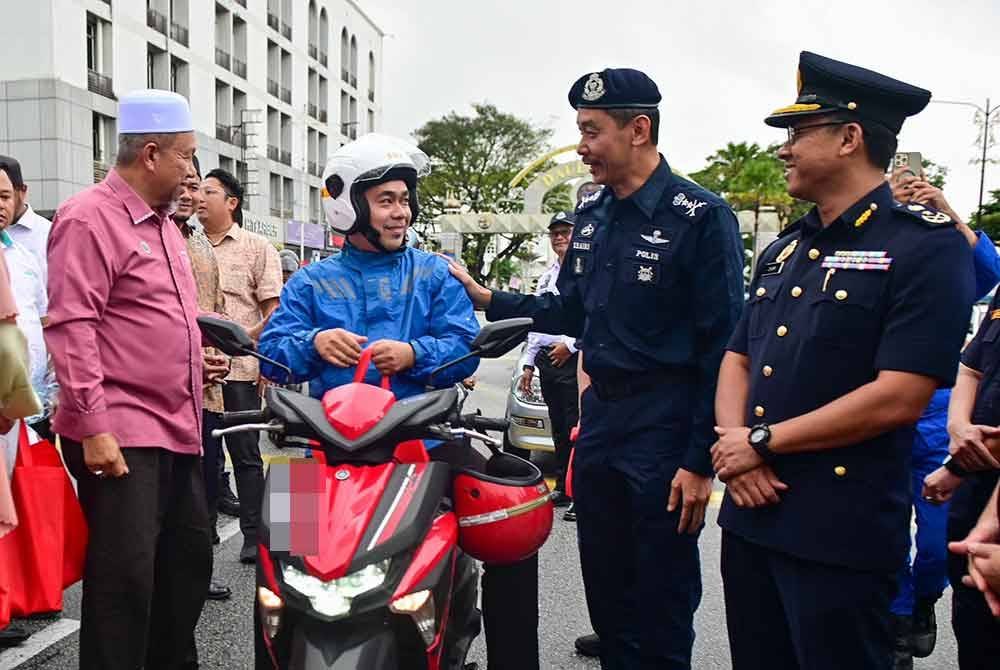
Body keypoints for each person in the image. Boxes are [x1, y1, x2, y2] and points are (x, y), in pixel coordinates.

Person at [447, 68, 745, 670]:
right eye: (580, 130)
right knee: (605, 583)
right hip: (604, 418)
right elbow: (572, 308)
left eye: (591, 131)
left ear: (639, 130)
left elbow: (723, 348)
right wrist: (487, 298)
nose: (581, 146)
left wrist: (697, 460)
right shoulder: (594, 213)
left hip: (665, 424)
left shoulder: (701, 217)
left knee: (660, 592)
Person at [710, 52, 974, 670]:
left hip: (838, 531)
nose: (784, 150)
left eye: (799, 133)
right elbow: (738, 356)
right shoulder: (784, 248)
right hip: (752, 519)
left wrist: (762, 441)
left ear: (850, 137)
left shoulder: (924, 246)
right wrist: (734, 445)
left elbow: (901, 393)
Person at [259, 133, 542, 670]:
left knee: (512, 527)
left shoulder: (433, 274)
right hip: (318, 453)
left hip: (425, 445)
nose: (401, 213)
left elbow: (463, 351)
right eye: (387, 200)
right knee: (273, 571)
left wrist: (414, 354)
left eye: (405, 201)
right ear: (351, 205)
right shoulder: (311, 282)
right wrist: (312, 343)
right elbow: (271, 355)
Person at [45, 89, 229, 670]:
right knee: (125, 582)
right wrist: (95, 427)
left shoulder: (166, 227)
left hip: (177, 424)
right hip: (121, 430)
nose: (192, 173)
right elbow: (73, 325)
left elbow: (150, 320)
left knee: (189, 560)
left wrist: (194, 358)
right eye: (186, 157)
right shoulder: (88, 217)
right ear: (151, 154)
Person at [886, 169, 1000, 669]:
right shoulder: (860, 241)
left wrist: (949, 213)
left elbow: (989, 273)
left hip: (935, 410)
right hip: (870, 408)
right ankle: (897, 623)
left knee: (937, 545)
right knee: (878, 532)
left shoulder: (944, 243)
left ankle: (922, 600)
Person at [198, 167, 282, 564]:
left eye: (208, 191)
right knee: (202, 459)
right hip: (196, 372)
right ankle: (203, 540)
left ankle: (255, 536)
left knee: (246, 454)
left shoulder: (256, 247)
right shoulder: (187, 244)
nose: (199, 196)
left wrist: (245, 344)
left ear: (231, 202)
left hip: (240, 370)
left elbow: (274, 312)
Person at [923, 282, 1000, 667]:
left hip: (982, 482)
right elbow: (971, 367)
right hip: (977, 487)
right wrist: (957, 428)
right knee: (974, 629)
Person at [174, 156, 231, 601]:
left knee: (209, 484)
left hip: (209, 390)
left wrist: (223, 353)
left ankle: (199, 570)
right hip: (162, 395)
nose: (190, 193)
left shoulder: (199, 242)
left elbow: (217, 312)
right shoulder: (317, 283)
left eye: (197, 186)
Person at [517, 211, 579, 507]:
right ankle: (563, 490)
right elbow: (536, 322)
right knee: (557, 427)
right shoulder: (547, 276)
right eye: (555, 233)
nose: (559, 238)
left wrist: (570, 345)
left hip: (575, 360)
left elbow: (592, 320)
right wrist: (528, 363)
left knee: (577, 428)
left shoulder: (586, 273)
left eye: (566, 232)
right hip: (546, 360)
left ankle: (579, 493)